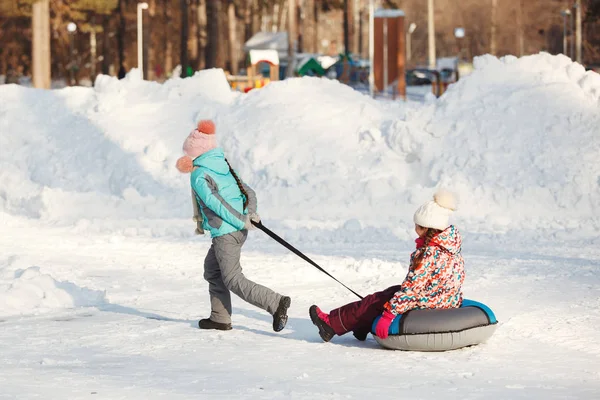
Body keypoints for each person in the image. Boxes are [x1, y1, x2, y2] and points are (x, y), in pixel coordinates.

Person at [176, 120, 291, 332]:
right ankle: (219, 318)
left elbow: (217, 204)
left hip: (227, 232)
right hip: (237, 229)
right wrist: (250, 214)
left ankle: (275, 303)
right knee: (212, 270)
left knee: (232, 278)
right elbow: (248, 192)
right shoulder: (222, 164)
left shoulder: (199, 174)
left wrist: (242, 219)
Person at [309, 190, 464, 342]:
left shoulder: (428, 254)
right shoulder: (452, 249)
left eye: (418, 226)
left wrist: (389, 315)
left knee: (377, 301)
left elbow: (412, 291)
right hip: (445, 300)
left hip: (428, 304)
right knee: (392, 291)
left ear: (428, 228)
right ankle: (361, 326)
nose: (415, 230)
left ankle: (330, 324)